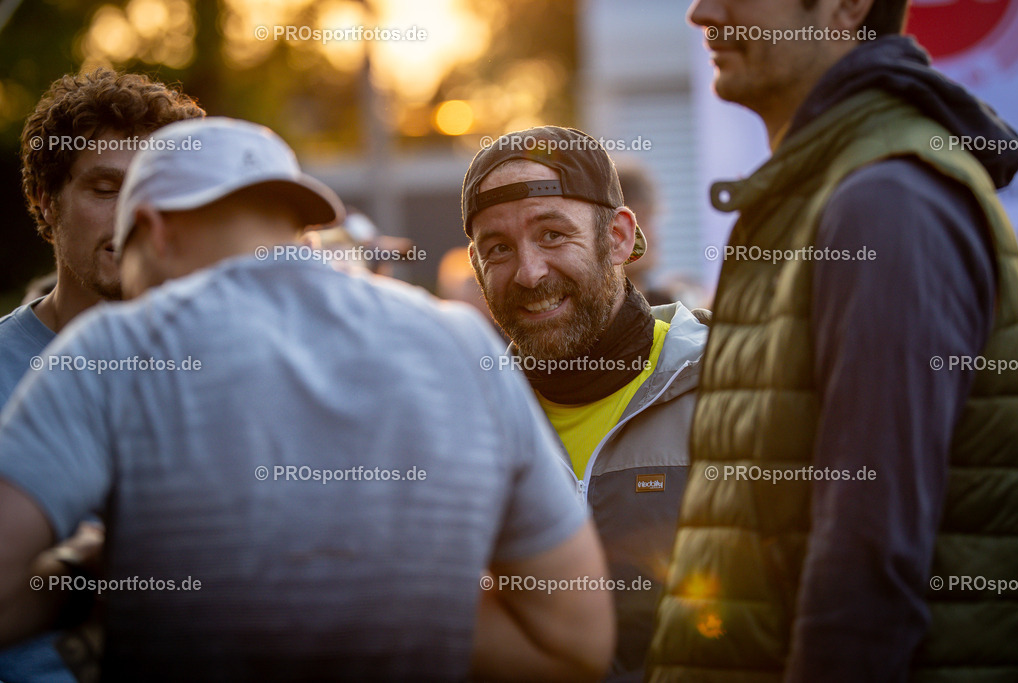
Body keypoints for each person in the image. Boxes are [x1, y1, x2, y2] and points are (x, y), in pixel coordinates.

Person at [0, 117, 614, 681]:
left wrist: (100, 577)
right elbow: (574, 643)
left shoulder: (115, 347)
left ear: (155, 233)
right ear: (296, 222)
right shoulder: (458, 341)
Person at [648, 0, 1018, 679]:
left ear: (848, 6)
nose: (702, 13)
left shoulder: (882, 199)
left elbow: (867, 559)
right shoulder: (825, 188)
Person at [461, 125, 708, 681]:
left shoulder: (728, 386)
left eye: (552, 235)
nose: (530, 273)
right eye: (498, 249)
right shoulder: (460, 425)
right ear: (477, 271)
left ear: (619, 238)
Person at [0, 67, 203, 683]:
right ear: (45, 201)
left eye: (155, 190)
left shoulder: (229, 368)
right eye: (105, 187)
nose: (131, 217)